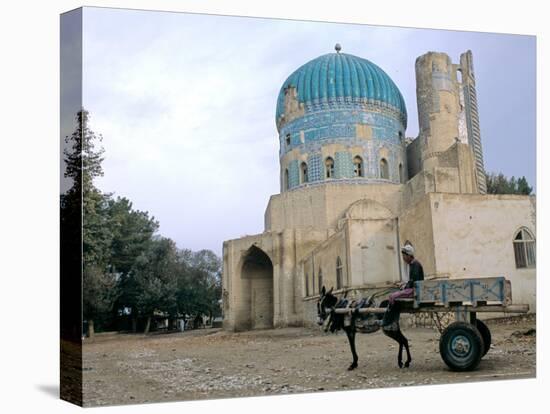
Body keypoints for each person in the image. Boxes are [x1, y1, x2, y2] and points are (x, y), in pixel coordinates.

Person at [380, 245, 424, 325]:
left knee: (392, 296)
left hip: (415, 290)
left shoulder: (415, 264)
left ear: (409, 255)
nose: (403, 258)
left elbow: (414, 281)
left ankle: (389, 319)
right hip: (413, 289)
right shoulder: (412, 264)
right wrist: (404, 284)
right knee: (393, 294)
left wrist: (404, 286)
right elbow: (412, 280)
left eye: (404, 256)